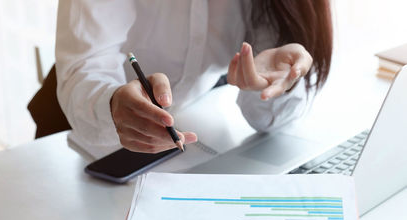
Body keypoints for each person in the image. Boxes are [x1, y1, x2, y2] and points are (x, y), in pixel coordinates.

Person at [55, 0, 332, 154]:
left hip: (189, 139)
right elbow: (86, 67)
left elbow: (265, 119)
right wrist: (113, 105)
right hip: (89, 138)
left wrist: (277, 82)